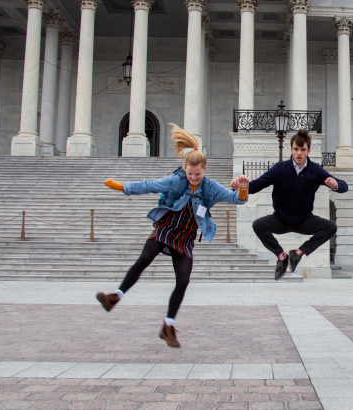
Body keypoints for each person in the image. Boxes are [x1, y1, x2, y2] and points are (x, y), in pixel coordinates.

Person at [96, 125, 250, 348]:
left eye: (198, 174)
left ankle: (168, 326)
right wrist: (121, 186)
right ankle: (114, 297)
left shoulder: (211, 188)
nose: (194, 178)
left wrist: (243, 188)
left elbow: (237, 200)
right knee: (144, 259)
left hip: (185, 239)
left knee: (184, 280)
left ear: (205, 170)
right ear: (185, 169)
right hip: (165, 230)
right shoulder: (175, 180)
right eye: (190, 174)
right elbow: (148, 186)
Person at [231, 130, 348, 279]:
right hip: (281, 220)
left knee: (331, 227)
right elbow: (256, 185)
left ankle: (297, 254)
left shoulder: (316, 171)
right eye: (296, 149)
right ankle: (282, 257)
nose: (299, 153)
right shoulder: (279, 169)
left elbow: (344, 187)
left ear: (309, 150)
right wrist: (243, 187)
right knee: (258, 225)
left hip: (304, 220)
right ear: (291, 149)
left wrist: (335, 185)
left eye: (303, 149)